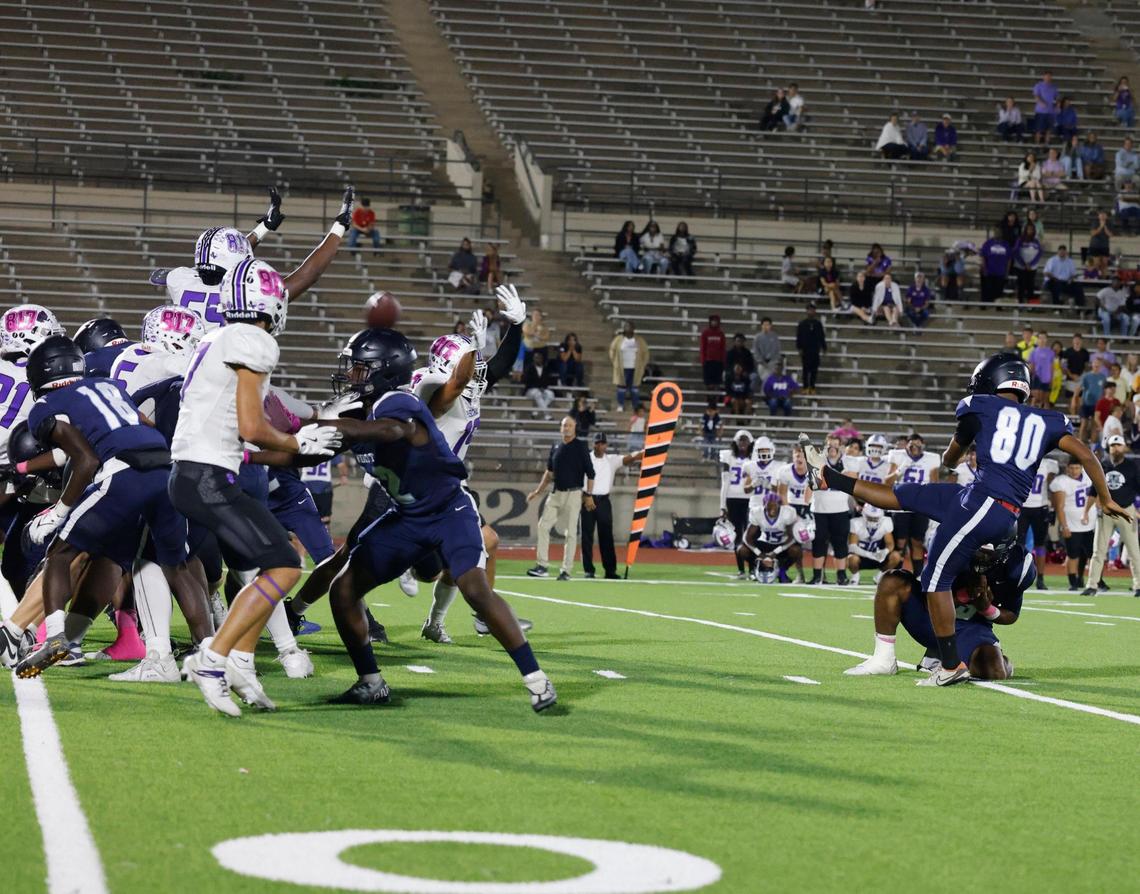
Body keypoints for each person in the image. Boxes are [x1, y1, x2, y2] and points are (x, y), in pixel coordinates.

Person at [805, 351, 1127, 686]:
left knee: (933, 579)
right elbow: (1087, 454)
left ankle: (949, 665)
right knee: (904, 497)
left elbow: (952, 456)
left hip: (985, 502)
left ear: (988, 380)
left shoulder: (980, 406)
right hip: (987, 501)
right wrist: (1104, 497)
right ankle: (830, 477)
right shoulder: (1047, 420)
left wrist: (950, 457)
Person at [844, 540, 1029, 680]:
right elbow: (928, 598)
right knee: (892, 581)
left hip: (970, 629)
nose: (984, 558)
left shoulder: (1012, 569)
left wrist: (986, 608)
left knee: (995, 672)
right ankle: (883, 659)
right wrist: (963, 595)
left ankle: (990, 658)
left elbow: (1012, 614)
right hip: (932, 618)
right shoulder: (954, 545)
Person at [526, 416, 595, 581]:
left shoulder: (581, 446)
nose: (566, 428)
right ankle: (542, 566)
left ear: (575, 427)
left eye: (569, 425)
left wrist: (589, 495)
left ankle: (566, 570)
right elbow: (549, 473)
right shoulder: (556, 446)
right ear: (560, 428)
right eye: (564, 425)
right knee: (543, 526)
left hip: (573, 494)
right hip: (556, 493)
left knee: (570, 533)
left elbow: (590, 473)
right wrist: (537, 491)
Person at [1083, 433, 1140, 596]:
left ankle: (1138, 586)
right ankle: (1092, 585)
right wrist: (1086, 511)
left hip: (1126, 510)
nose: (1116, 448)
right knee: (1098, 550)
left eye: (1118, 445)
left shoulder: (1131, 466)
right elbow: (1093, 490)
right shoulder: (1103, 465)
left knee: (1134, 550)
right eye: (1113, 446)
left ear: (1124, 447)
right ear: (1109, 448)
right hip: (1105, 512)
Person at [580, 433, 642, 580]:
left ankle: (610, 570)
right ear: (593, 444)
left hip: (604, 501)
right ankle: (589, 569)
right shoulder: (585, 458)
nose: (600, 446)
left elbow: (630, 458)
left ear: (606, 445)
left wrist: (646, 452)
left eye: (602, 443)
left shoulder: (612, 460)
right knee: (587, 536)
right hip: (588, 499)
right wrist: (584, 496)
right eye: (597, 443)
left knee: (606, 537)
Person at [807, 436, 853, 585]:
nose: (832, 448)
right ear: (825, 447)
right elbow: (813, 482)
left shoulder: (849, 461)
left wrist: (833, 475)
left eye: (835, 445)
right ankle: (817, 575)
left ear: (841, 447)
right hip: (819, 509)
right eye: (830, 445)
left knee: (840, 543)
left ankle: (841, 575)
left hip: (840, 509)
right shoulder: (817, 461)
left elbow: (852, 479)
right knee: (819, 542)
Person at [1050, 458, 1096, 591]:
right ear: (1067, 468)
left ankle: (1081, 577)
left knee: (1087, 553)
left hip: (1090, 524)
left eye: (1077, 468)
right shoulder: (1061, 481)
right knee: (1073, 554)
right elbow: (1059, 506)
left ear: (1082, 468)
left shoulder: (1089, 477)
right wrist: (1064, 526)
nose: (1074, 471)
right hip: (1072, 525)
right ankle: (1073, 582)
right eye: (1072, 468)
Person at [737, 493, 802, 584]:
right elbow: (747, 538)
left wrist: (776, 551)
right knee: (742, 549)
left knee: (796, 550)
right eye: (769, 506)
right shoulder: (757, 512)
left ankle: (782, 571)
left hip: (782, 544)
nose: (772, 509)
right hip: (765, 543)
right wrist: (759, 553)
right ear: (764, 505)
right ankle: (753, 569)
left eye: (774, 505)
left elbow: (792, 538)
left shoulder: (787, 513)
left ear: (780, 505)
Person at [1018, 451, 1058, 588]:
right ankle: (1018, 575)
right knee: (1019, 545)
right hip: (1022, 507)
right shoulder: (1020, 461)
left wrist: (1052, 508)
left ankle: (1040, 578)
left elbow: (1052, 487)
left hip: (1040, 507)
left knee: (1040, 544)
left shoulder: (1048, 464)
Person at [720, 430, 754, 577]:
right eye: (740, 441)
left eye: (745, 441)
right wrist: (722, 505)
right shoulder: (728, 457)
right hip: (733, 498)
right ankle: (741, 569)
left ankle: (753, 568)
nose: (742, 444)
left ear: (750, 443)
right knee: (737, 535)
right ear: (735, 442)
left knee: (751, 535)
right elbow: (724, 482)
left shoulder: (755, 458)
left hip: (750, 499)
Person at [845, 505, 901, 584]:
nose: (873, 520)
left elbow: (890, 543)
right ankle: (855, 575)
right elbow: (852, 546)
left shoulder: (886, 522)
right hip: (861, 556)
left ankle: (880, 575)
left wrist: (884, 552)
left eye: (875, 518)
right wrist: (869, 554)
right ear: (864, 515)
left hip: (877, 556)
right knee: (851, 559)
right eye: (870, 517)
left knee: (896, 556)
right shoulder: (856, 523)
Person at [609, 321, 648, 411]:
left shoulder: (639, 340)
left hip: (635, 368)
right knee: (621, 387)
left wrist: (642, 364)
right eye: (625, 327)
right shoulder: (618, 339)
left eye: (629, 327)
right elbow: (612, 350)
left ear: (633, 328)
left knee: (634, 388)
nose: (627, 328)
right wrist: (615, 362)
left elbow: (645, 353)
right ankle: (620, 405)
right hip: (622, 368)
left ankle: (635, 406)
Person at [795, 301, 826, 394]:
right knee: (805, 369)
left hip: (815, 350)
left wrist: (824, 347)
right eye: (809, 310)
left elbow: (821, 336)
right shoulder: (802, 324)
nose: (811, 311)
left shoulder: (818, 324)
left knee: (814, 370)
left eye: (813, 310)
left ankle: (812, 387)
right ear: (806, 311)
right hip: (805, 350)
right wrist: (799, 348)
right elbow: (799, 337)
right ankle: (805, 387)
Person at [1076, 357, 1107, 442]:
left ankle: (1093, 446)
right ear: (1092, 364)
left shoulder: (1103, 377)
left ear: (1101, 366)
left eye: (1098, 363)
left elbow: (1104, 391)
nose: (1096, 365)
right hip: (1086, 403)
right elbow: (1079, 389)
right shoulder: (1087, 376)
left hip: (1096, 405)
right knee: (1084, 424)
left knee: (1094, 425)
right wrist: (1077, 401)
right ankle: (1080, 443)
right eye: (1095, 363)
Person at [1012, 223, 1042, 302]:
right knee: (1021, 286)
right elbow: (1016, 252)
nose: (1030, 231)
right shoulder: (1020, 240)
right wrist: (1023, 264)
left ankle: (1030, 305)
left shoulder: (1036, 241)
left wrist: (1030, 264)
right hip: (1020, 267)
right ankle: (1020, 304)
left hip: (1032, 268)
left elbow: (1039, 253)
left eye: (1032, 229)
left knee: (1030, 286)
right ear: (1025, 230)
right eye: (1029, 229)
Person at [523, 350, 557, 415]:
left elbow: (547, 381)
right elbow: (526, 380)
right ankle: (547, 414)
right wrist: (538, 388)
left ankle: (536, 411)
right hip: (531, 390)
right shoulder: (529, 368)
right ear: (533, 359)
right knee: (537, 394)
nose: (538, 359)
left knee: (551, 394)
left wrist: (542, 388)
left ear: (542, 359)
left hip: (543, 389)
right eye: (536, 358)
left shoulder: (545, 369)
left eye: (539, 358)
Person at [979, 233, 1011, 303]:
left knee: (999, 291)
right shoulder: (988, 243)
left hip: (1000, 272)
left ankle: (998, 306)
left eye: (999, 231)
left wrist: (1007, 272)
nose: (997, 233)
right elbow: (983, 257)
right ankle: (984, 305)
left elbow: (1009, 259)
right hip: (989, 271)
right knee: (987, 290)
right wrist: (984, 269)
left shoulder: (1006, 244)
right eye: (996, 231)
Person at [752, 317, 781, 390]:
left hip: (772, 362)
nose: (766, 327)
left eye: (768, 325)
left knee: (770, 380)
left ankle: (767, 396)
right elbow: (756, 351)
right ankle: (764, 396)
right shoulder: (757, 337)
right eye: (764, 325)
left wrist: (774, 361)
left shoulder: (774, 337)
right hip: (762, 363)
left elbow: (777, 350)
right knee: (764, 379)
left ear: (771, 326)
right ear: (761, 325)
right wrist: (761, 361)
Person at [699, 314, 727, 390]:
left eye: (716, 321)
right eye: (713, 321)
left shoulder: (721, 334)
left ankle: (716, 398)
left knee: (717, 382)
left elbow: (723, 348)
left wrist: (723, 361)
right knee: (709, 383)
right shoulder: (705, 333)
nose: (714, 323)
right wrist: (703, 360)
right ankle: (709, 399)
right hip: (708, 361)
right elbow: (703, 347)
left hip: (718, 362)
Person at [1028, 333, 1055, 408]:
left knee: (1045, 400)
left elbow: (1052, 366)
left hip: (1047, 378)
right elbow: (1031, 365)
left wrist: (1052, 378)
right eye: (1040, 338)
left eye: (1044, 338)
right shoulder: (1033, 352)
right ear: (1037, 339)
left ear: (1047, 340)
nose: (1042, 340)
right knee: (1035, 398)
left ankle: (1046, 418)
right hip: (1036, 377)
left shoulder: (1050, 352)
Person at [1033, 71, 1059, 144]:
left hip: (1050, 112)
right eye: (1046, 76)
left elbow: (1057, 98)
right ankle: (1037, 144)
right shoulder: (1038, 85)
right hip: (1041, 111)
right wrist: (1041, 102)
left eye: (1049, 76)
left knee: (1049, 130)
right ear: (1043, 77)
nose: (1048, 78)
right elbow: (1036, 96)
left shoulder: (1054, 87)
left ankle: (1046, 144)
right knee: (1039, 129)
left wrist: (1057, 105)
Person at [1089, 211, 1114, 277]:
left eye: (1104, 215)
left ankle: (1104, 278)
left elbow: (1110, 235)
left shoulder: (1109, 223)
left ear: (1107, 216)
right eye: (1101, 215)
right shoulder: (1095, 223)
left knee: (1104, 264)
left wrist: (1104, 226)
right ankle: (1092, 275)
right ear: (1098, 216)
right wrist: (1100, 227)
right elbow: (1093, 233)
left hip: (1105, 246)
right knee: (1097, 263)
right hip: (1095, 246)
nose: (1102, 216)